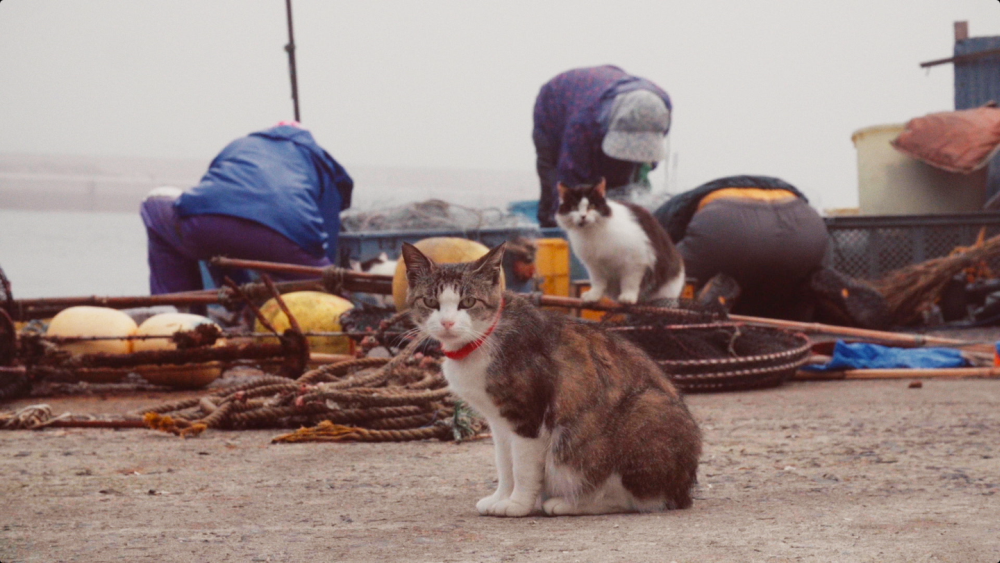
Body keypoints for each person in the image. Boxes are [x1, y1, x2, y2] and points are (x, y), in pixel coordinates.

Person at [141, 122, 353, 294]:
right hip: (286, 241)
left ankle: (175, 311)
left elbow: (210, 196)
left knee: (153, 206)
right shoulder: (321, 163)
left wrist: (237, 288)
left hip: (204, 224)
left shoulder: (241, 144)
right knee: (329, 290)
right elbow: (325, 234)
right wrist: (322, 275)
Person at [653, 175, 829, 320]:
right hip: (807, 223)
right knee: (804, 283)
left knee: (671, 282)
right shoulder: (702, 194)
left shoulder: (665, 211)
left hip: (727, 223)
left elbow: (658, 259)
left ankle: (699, 314)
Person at [532, 65, 672, 227]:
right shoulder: (581, 126)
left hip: (604, 98)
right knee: (556, 185)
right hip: (556, 106)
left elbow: (650, 154)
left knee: (625, 185)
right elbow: (569, 179)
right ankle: (550, 228)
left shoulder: (661, 104)